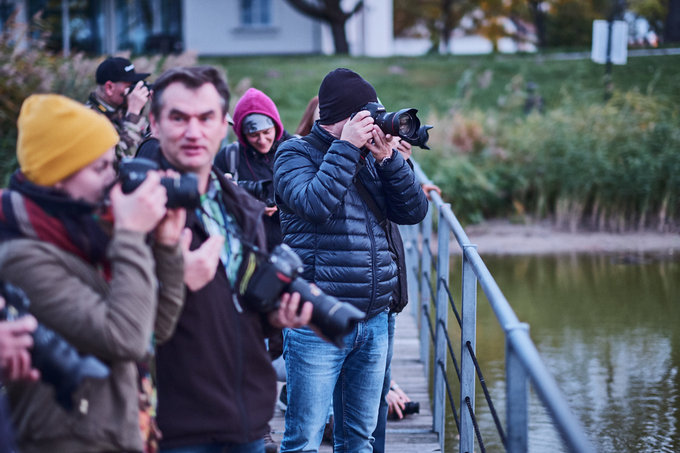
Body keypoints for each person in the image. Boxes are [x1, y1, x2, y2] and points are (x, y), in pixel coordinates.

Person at [0, 94, 186, 452]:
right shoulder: (22, 256)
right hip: (67, 440)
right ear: (57, 177)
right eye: (99, 168)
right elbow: (125, 337)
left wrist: (166, 246)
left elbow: (154, 331)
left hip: (120, 432)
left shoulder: (88, 234)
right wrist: (131, 235)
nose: (113, 179)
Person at [143, 66, 312, 453]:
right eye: (178, 118)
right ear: (154, 123)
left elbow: (236, 304)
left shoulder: (240, 207)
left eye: (205, 118)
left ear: (223, 127)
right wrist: (174, 278)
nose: (193, 131)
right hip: (173, 426)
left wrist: (272, 315)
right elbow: (113, 327)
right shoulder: (133, 205)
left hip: (246, 420)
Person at [273, 67, 428, 452]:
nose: (376, 122)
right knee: (303, 440)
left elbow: (414, 211)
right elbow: (315, 204)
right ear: (342, 117)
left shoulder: (372, 156)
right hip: (317, 322)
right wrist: (345, 147)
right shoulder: (294, 153)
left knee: (359, 439)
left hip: (374, 320)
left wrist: (390, 159)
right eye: (368, 114)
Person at [214, 87, 293, 251]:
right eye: (254, 134)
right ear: (241, 133)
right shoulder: (229, 157)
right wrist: (249, 204)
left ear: (276, 126)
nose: (262, 140)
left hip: (295, 249)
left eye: (266, 132)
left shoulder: (297, 149)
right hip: (249, 249)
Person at [87, 56, 152, 160]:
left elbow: (146, 146)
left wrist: (156, 112)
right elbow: (119, 161)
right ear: (109, 88)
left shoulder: (120, 111)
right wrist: (134, 113)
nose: (134, 91)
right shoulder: (89, 119)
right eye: (129, 86)